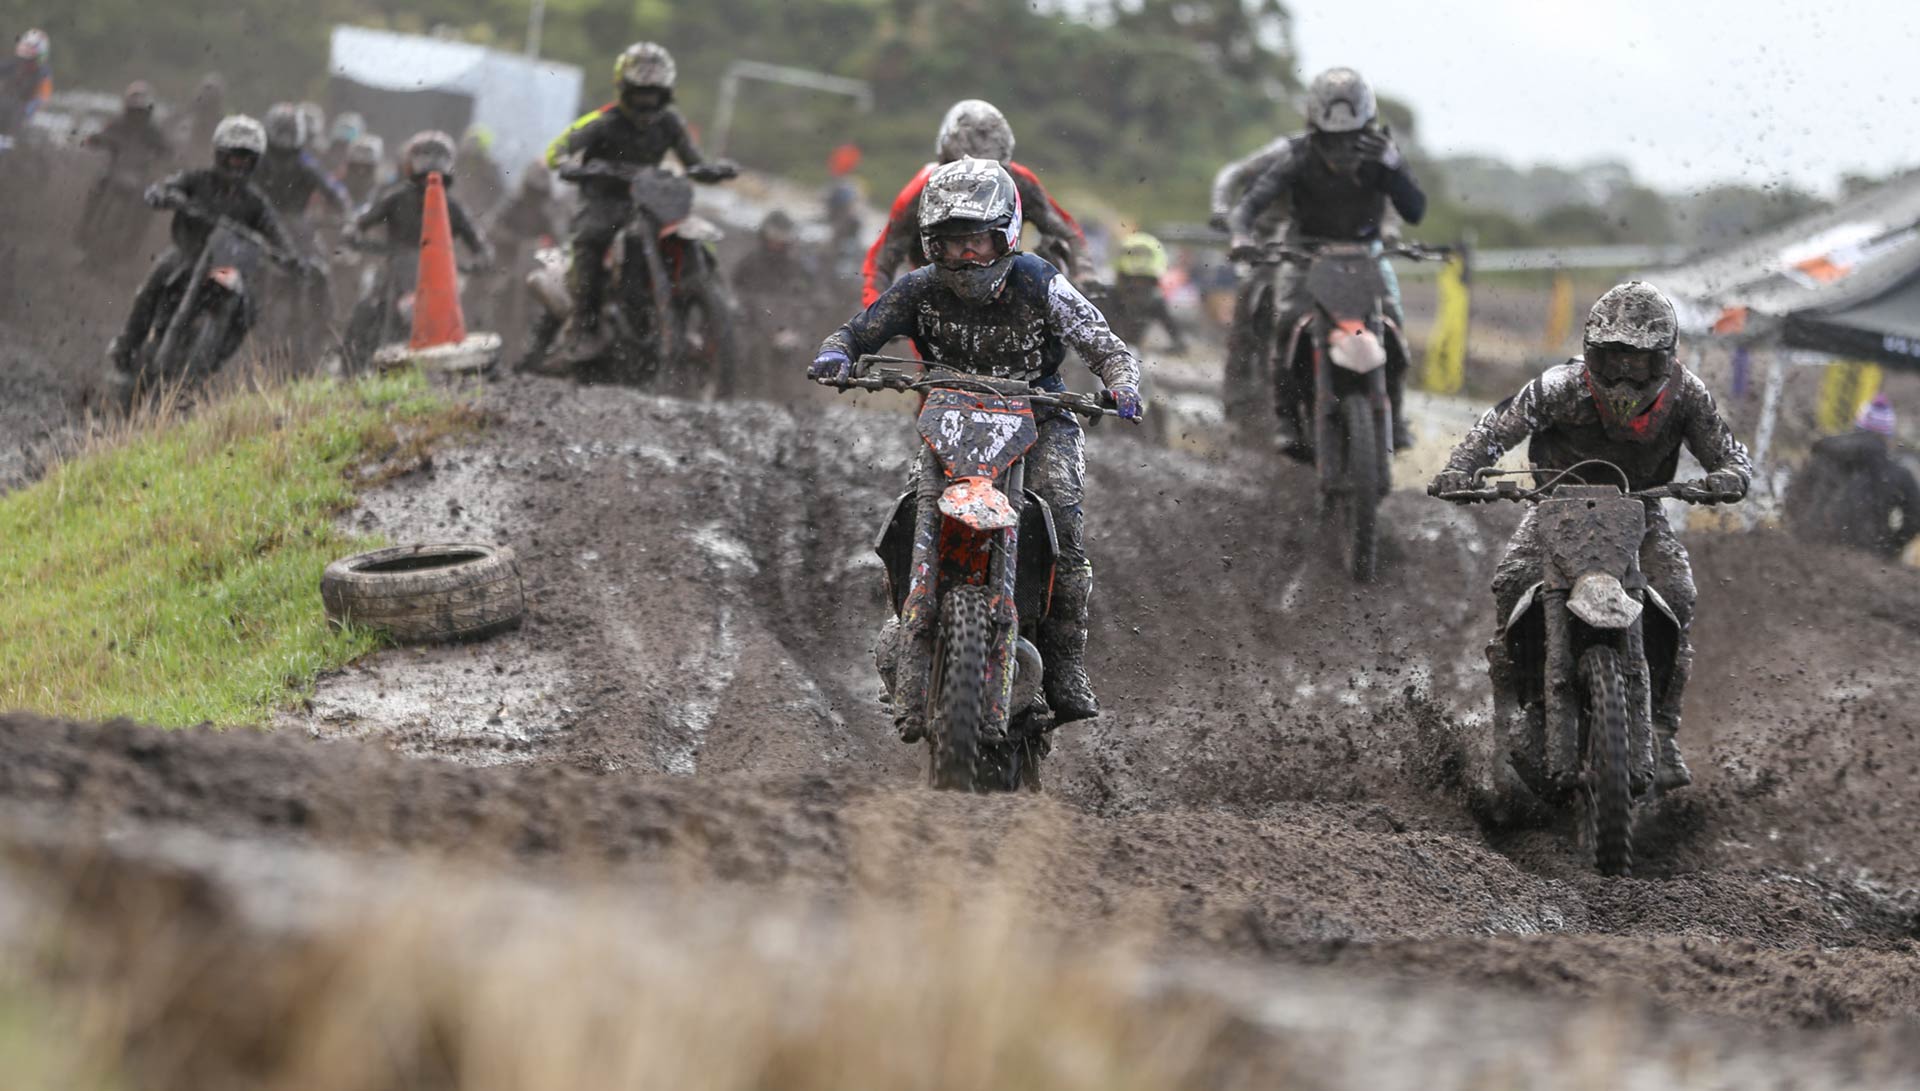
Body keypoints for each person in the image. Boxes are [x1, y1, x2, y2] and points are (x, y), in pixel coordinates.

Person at [811, 158, 1144, 728]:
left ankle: (1065, 665)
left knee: (1063, 521)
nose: (965, 258)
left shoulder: (1040, 281)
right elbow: (855, 331)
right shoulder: (918, 287)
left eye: (977, 243)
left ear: (1007, 234)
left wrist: (1122, 383)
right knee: (907, 517)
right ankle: (912, 635)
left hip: (1038, 414)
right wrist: (836, 354)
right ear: (930, 246)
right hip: (950, 418)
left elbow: (1105, 344)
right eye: (950, 244)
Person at [1429, 282, 1752, 793]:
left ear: (1665, 361)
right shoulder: (1559, 386)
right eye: (1612, 359)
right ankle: (1511, 710)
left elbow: (1730, 451)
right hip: (1555, 510)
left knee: (1678, 590)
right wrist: (1461, 468)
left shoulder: (1687, 394)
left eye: (1640, 363)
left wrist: (1729, 475)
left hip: (1640, 512)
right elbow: (1495, 427)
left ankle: (1664, 728)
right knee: (1512, 582)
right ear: (1590, 353)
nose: (1624, 375)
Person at [1227, 67, 1428, 451]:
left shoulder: (1383, 156)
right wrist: (1240, 235)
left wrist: (1395, 168)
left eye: (1352, 139)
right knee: (1286, 321)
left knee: (1392, 325)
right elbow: (1251, 203)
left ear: (1366, 127)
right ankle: (1286, 417)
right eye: (1334, 141)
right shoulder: (1297, 156)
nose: (1343, 150)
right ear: (1316, 128)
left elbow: (1415, 210)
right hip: (1305, 253)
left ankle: (1396, 416)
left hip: (1365, 253)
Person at [542, 41, 730, 365]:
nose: (647, 101)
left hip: (650, 202)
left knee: (687, 235)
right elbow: (557, 148)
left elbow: (693, 161)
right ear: (625, 90)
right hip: (603, 200)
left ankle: (709, 299)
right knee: (590, 240)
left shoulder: (670, 122)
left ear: (665, 93)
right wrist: (568, 164)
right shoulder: (603, 120)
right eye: (641, 92)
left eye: (654, 93)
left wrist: (712, 170)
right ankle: (584, 327)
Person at [106, 115, 297, 374]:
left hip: (227, 267)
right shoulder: (197, 179)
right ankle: (127, 345)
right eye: (233, 156)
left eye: (246, 157)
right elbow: (168, 185)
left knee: (248, 310)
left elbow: (275, 230)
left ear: (255, 162)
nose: (238, 163)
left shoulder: (256, 201)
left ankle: (210, 366)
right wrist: (164, 194)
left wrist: (289, 256)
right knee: (155, 279)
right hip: (187, 254)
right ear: (220, 154)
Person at [860, 99, 1084, 306]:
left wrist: (1082, 274)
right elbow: (883, 258)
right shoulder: (920, 189)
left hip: (1007, 295)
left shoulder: (1021, 182)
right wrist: (877, 306)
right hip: (937, 302)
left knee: (1051, 253)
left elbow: (1068, 233)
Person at [342, 130, 493, 366]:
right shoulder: (398, 198)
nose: (430, 170)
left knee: (471, 319)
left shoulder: (452, 207)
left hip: (440, 285)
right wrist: (352, 232)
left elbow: (481, 246)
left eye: (437, 160)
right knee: (365, 312)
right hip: (394, 272)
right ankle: (351, 369)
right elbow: (360, 222)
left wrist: (476, 262)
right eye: (425, 159)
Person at [254, 103, 349, 343]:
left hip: (292, 229)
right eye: (281, 132)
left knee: (321, 271)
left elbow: (335, 193)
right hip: (261, 225)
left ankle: (325, 327)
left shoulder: (304, 164)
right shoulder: (257, 159)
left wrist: (343, 213)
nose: (285, 140)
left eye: (289, 132)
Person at [1785, 394, 1920, 560]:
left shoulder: (1824, 455)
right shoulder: (1898, 475)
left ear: (1857, 425)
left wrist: (1801, 532)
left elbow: (1792, 497)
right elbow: (1914, 519)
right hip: (1866, 558)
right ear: (1887, 436)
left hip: (1808, 552)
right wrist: (1890, 547)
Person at [77, 81, 173, 259]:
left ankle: (131, 248)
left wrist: (165, 157)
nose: (137, 115)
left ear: (148, 110)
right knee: (96, 188)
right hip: (114, 170)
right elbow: (102, 135)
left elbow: (167, 148)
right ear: (127, 108)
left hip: (139, 174)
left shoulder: (152, 130)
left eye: (141, 111)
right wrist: (94, 140)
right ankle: (83, 230)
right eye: (134, 110)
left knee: (147, 205)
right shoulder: (117, 123)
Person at [1102, 232, 1187, 354]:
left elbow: (1180, 341)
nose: (1138, 287)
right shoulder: (1103, 298)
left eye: (1145, 282)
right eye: (1131, 281)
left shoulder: (1155, 303)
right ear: (1120, 278)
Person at [0, 28, 52, 137]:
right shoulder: (14, 63)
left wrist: (30, 108)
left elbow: (43, 98)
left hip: (22, 110)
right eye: (26, 45)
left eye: (30, 46)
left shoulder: (43, 72)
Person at [338, 133, 385, 207]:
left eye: (366, 168)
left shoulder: (380, 189)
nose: (360, 171)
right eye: (356, 167)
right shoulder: (338, 180)